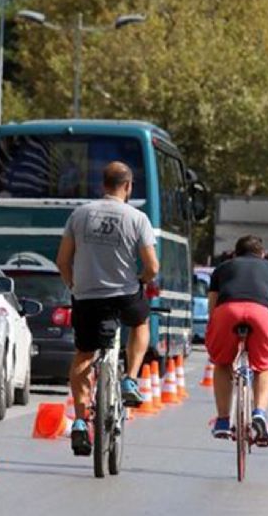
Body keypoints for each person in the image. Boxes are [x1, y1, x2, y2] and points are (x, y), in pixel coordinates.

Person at [56, 161, 159, 456]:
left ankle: (78, 420)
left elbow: (62, 261)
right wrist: (142, 279)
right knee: (140, 323)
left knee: (84, 354)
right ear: (128, 187)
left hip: (87, 297)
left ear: (103, 184)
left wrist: (74, 285)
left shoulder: (80, 215)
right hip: (124, 295)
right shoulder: (137, 218)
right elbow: (152, 266)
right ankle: (130, 379)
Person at [206, 235, 268, 447]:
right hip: (262, 314)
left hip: (227, 312)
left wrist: (215, 334)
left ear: (235, 253)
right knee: (264, 367)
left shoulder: (222, 269)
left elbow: (212, 307)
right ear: (262, 254)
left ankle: (223, 420)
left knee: (222, 363)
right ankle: (259, 412)